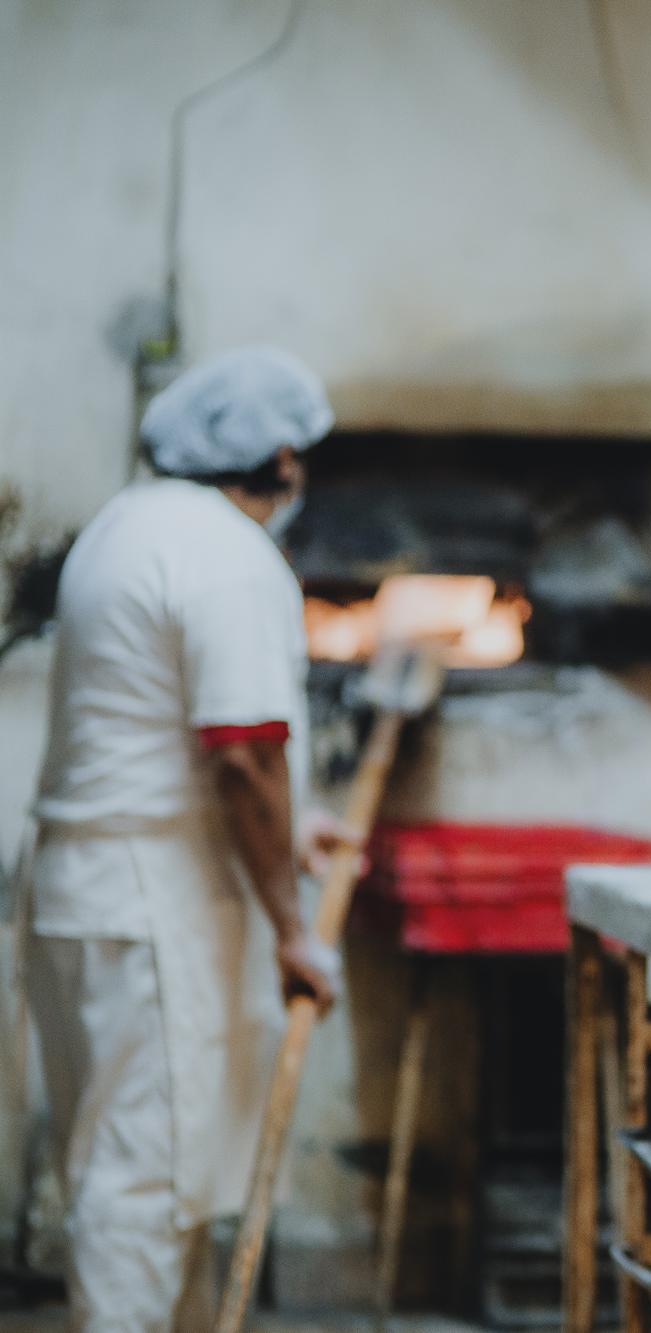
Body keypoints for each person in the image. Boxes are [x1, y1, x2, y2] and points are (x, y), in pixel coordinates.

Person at [22, 347, 351, 1330]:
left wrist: (292, 832)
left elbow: (161, 732)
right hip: (150, 900)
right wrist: (295, 931)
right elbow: (242, 756)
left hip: (83, 885)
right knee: (147, 1183)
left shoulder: (124, 524)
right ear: (281, 456)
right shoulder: (226, 554)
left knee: (135, 1168)